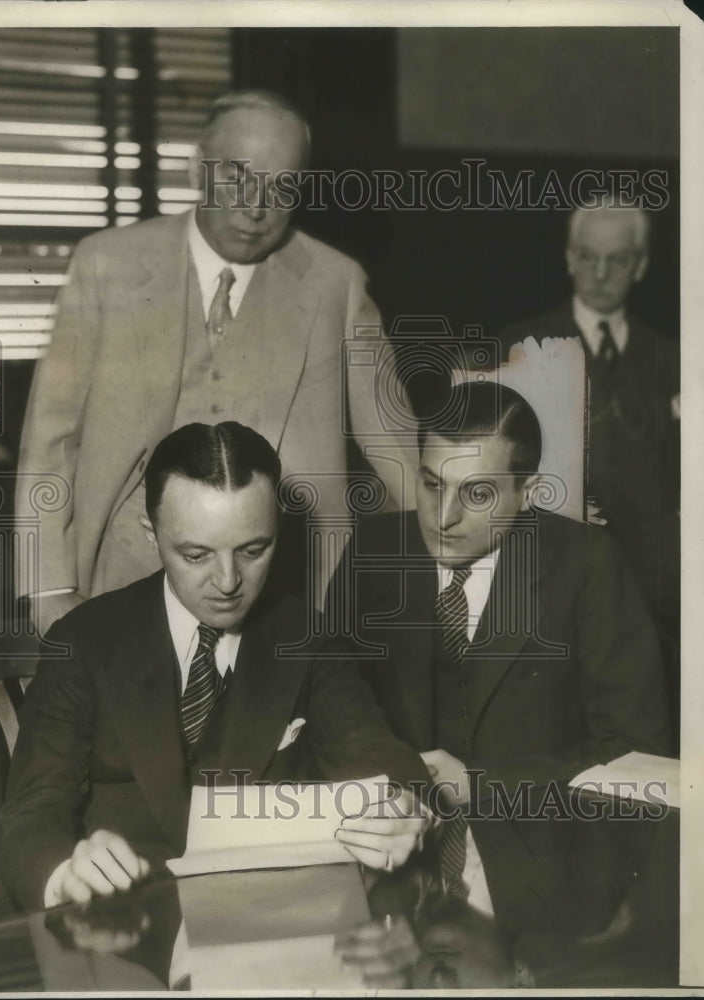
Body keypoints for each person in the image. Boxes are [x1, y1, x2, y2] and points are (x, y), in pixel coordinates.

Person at [15, 89, 416, 636]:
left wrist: (446, 572)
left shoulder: (335, 283)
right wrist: (48, 584)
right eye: (237, 176)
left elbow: (395, 448)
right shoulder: (105, 264)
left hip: (281, 589)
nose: (256, 208)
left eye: (282, 186)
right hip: (121, 570)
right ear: (195, 170)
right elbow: (51, 435)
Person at [0, 422, 430, 916]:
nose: (227, 582)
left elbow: (379, 758)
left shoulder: (310, 639)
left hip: (251, 928)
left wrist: (401, 807)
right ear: (152, 535)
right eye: (196, 554)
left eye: (252, 550)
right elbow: (32, 808)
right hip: (112, 929)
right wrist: (61, 874)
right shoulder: (83, 641)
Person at [327, 381, 671, 936]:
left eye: (478, 494)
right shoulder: (372, 550)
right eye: (432, 483)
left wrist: (482, 785)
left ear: (528, 490)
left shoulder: (589, 566)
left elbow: (638, 757)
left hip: (543, 882)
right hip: (387, 873)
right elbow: (330, 711)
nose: (443, 516)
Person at [498, 200, 679, 720]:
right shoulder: (522, 344)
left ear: (640, 265)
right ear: (569, 259)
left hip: (655, 592)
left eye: (617, 260)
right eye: (589, 257)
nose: (601, 273)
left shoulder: (676, 357)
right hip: (553, 572)